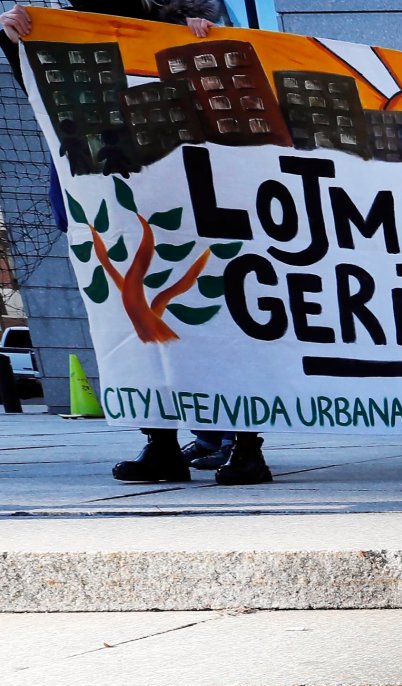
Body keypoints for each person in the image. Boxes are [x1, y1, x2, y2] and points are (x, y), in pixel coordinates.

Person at [6, 0, 270, 483]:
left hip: (192, 205)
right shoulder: (72, 39)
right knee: (134, 329)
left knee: (220, 326)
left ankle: (244, 445)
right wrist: (13, 38)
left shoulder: (183, 36)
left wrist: (203, 37)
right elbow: (45, 93)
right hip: (113, 208)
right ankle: (162, 443)